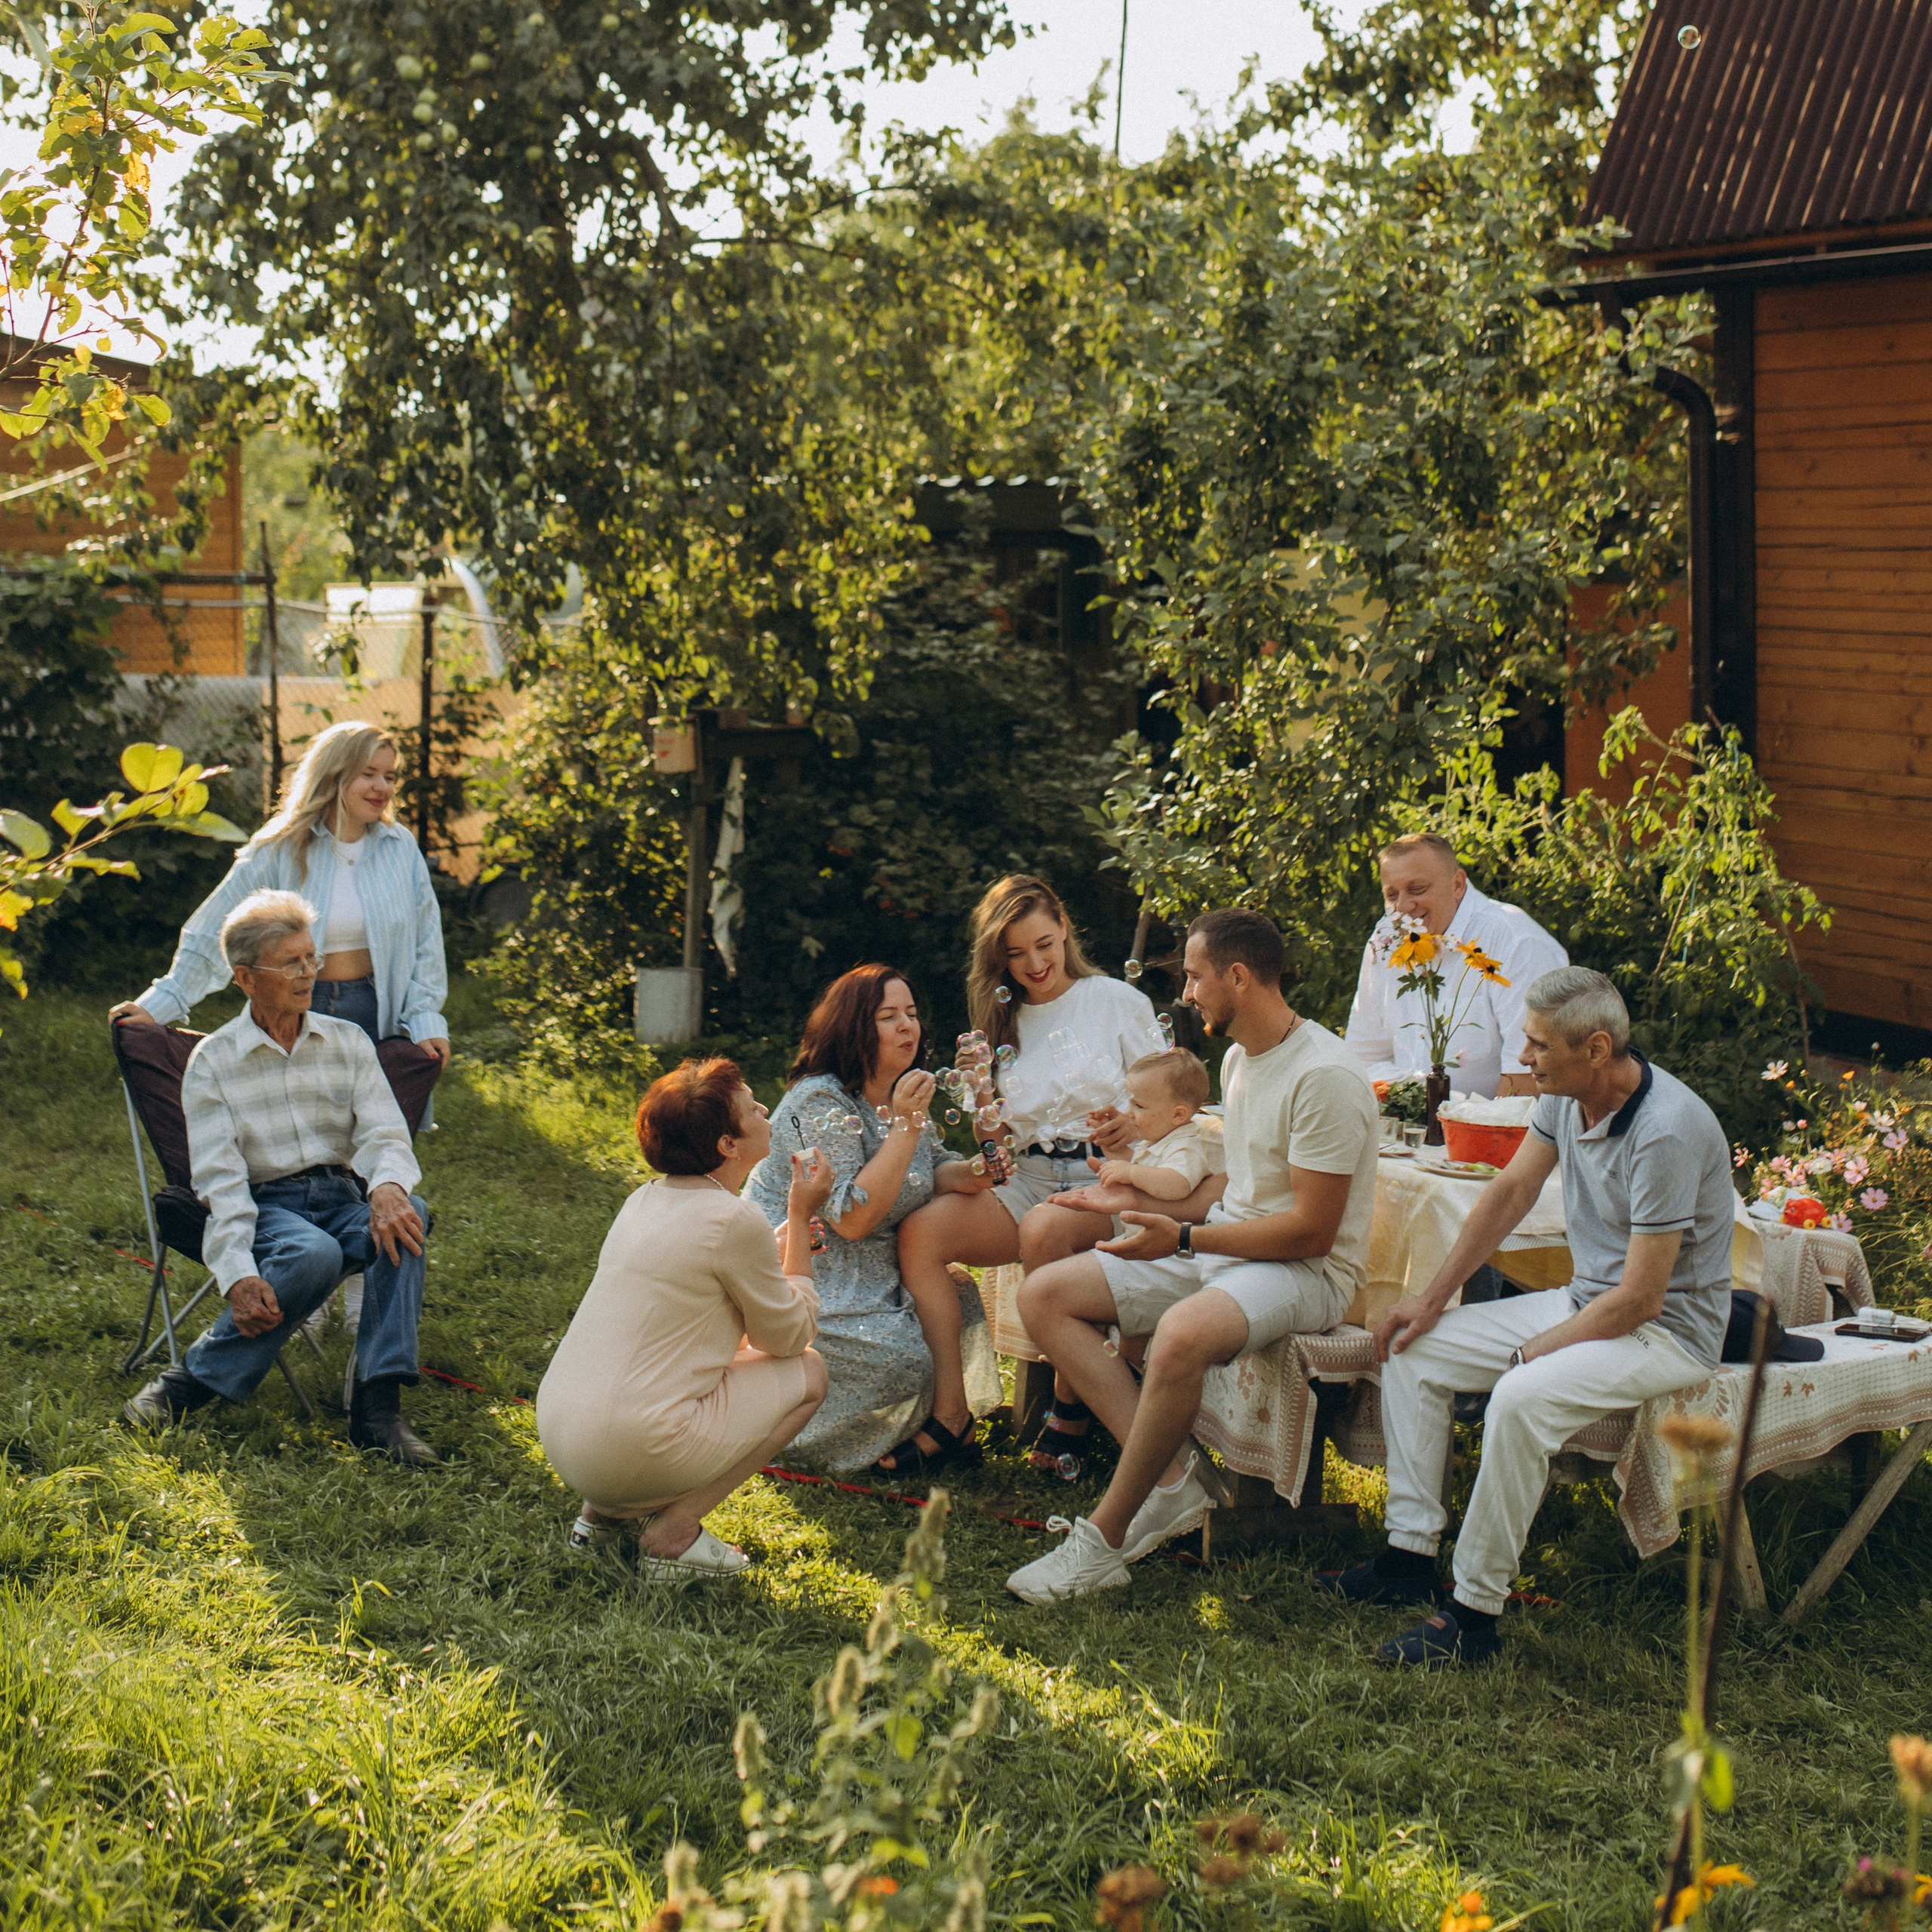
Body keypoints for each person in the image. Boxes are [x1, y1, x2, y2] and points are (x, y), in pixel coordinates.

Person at [1322, 967, 1734, 1668]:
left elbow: (1642, 1299)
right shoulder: (1568, 1099)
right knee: (1414, 1348)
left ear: (1597, 1049)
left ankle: (1472, 1618)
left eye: (1539, 1046)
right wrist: (1428, 1299)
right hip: (1591, 1304)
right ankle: (1408, 1557)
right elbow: (1511, 1192)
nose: (1523, 1059)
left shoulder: (1667, 1129)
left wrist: (1535, 1350)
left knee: (1518, 1397)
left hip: (1667, 1333)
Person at [1004, 909, 1380, 1603]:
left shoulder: (1325, 1076)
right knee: (1044, 1295)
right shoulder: (1239, 1058)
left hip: (1305, 1275)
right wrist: (1145, 1207)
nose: (1188, 995)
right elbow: (1237, 1191)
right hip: (1227, 1248)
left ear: (1238, 977)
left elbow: (1309, 1235)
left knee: (1180, 1333)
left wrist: (1179, 1239)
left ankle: (1104, 1540)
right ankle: (1178, 1481)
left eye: (1198, 978)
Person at [110, 721, 449, 1343]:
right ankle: (308, 1290)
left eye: (390, 776)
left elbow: (427, 943)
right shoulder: (280, 849)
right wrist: (163, 1003)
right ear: (335, 775)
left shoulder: (399, 849)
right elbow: (216, 930)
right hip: (299, 1000)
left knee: (367, 1146)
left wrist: (426, 1020)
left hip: (376, 1008)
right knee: (302, 1146)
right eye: (368, 773)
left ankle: (359, 1289)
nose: (381, 787)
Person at [120, 891, 438, 1465]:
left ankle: (377, 1407)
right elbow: (220, 1183)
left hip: (343, 1194)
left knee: (406, 1219)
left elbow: (384, 1134)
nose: (308, 973)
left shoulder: (347, 1042)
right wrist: (239, 1274)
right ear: (245, 977)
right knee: (313, 1253)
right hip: (268, 1204)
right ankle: (190, 1381)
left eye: (311, 958)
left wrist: (388, 1188)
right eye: (290, 962)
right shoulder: (215, 1063)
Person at [888, 874, 1174, 1475]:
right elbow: (996, 1151)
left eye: (1043, 944)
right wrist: (982, 1090)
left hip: (1109, 1177)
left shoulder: (1117, 1002)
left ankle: (1070, 1409)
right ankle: (952, 1417)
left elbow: (1171, 1106)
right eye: (1014, 954)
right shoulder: (1000, 1018)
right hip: (1029, 1177)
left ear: (1064, 928)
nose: (1033, 964)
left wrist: (1131, 1124)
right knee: (921, 1234)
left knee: (1045, 1231)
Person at [537, 1057, 832, 1577]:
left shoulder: (644, 1199)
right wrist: (800, 1217)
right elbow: (788, 1337)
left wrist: (779, 1245)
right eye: (750, 1108)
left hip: (565, 1435)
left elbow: (703, 1291)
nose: (765, 1110)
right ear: (727, 1145)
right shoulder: (734, 1219)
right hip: (630, 1447)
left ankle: (600, 1519)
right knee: (811, 1373)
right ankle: (673, 1533)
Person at [744, 964, 1001, 1475]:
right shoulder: (818, 1101)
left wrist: (976, 1171)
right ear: (855, 1028)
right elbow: (853, 1220)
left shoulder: (898, 1094)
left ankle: (943, 1425)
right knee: (898, 1356)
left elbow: (931, 1168)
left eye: (911, 1014)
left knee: (957, 1298)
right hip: (807, 1267)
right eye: (889, 1016)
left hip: (873, 1268)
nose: (909, 1026)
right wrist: (906, 1127)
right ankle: (803, 1439)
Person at [1345, 832, 1566, 1100]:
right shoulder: (1384, 942)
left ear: (1458, 885)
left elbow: (1527, 1082)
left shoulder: (1516, 941)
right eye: (1392, 895)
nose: (1402, 907)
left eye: (1417, 889)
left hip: (1493, 1130)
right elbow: (1362, 1058)